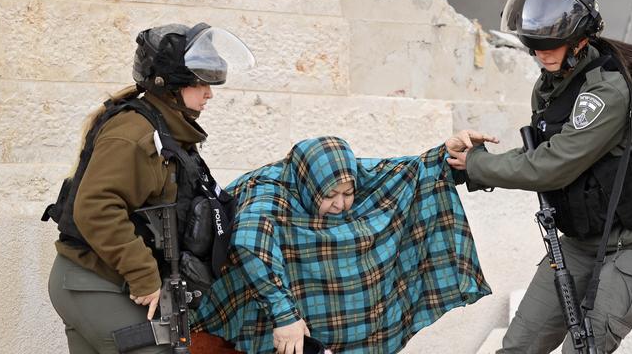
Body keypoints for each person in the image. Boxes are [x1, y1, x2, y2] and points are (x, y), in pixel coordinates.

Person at [447, 0, 632, 353]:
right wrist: (468, 162)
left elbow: (551, 165)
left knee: (583, 349)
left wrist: (477, 166)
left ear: (579, 39)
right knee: (519, 347)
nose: (542, 53)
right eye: (536, 45)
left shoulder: (607, 89)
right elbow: (543, 157)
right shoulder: (550, 87)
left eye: (552, 44)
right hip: (582, 242)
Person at [46, 23, 254, 354]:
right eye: (200, 84)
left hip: (102, 281)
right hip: (92, 282)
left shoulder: (167, 134)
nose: (209, 93)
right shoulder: (135, 134)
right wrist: (143, 274)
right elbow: (96, 207)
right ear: (170, 85)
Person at [192, 136, 492, 354]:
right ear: (308, 184)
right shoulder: (269, 189)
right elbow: (248, 242)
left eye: (347, 193)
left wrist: (447, 157)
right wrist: (284, 315)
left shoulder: (351, 173)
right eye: (330, 195)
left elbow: (407, 172)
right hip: (277, 317)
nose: (341, 204)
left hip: (344, 325)